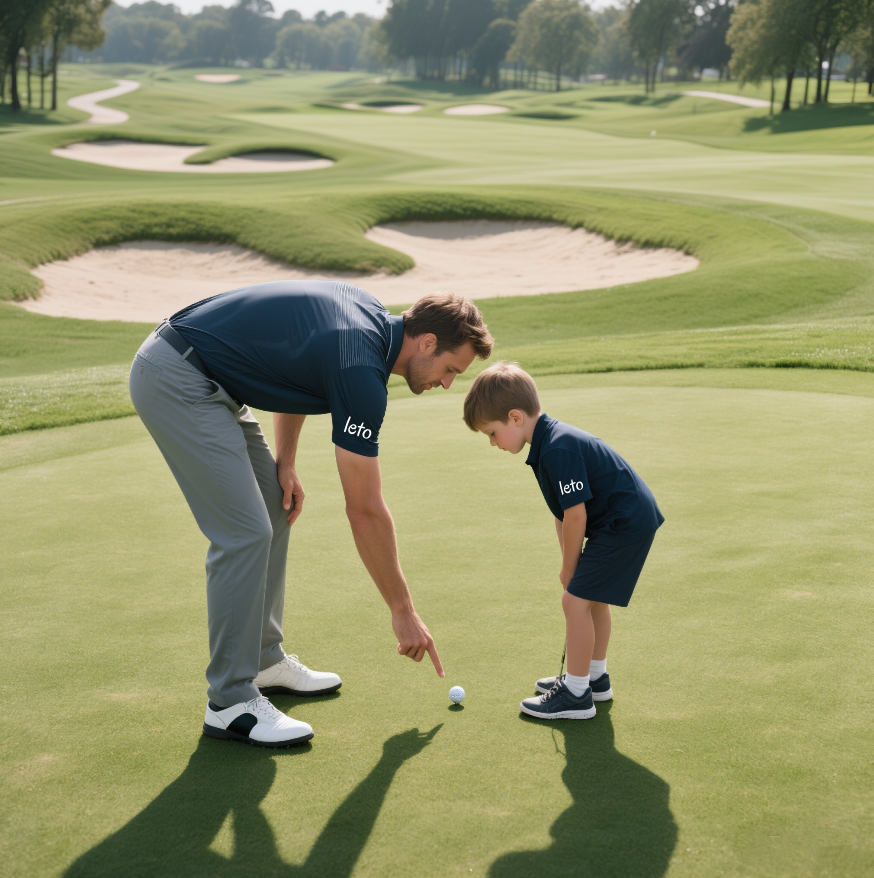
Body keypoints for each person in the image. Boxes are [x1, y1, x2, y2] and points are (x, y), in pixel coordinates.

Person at [129, 281, 493, 747]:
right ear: (426, 343)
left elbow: (296, 376)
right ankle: (229, 702)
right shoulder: (363, 370)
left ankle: (263, 659)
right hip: (178, 376)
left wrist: (286, 461)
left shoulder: (370, 321)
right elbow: (364, 509)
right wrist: (402, 611)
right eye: (450, 369)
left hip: (208, 377)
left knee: (274, 506)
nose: (446, 383)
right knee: (244, 533)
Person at [462, 362, 663, 720]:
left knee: (574, 601)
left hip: (624, 522)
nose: (492, 443)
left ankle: (576, 693)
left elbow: (576, 516)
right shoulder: (544, 446)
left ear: (515, 417)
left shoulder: (557, 448)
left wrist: (570, 570)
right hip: (620, 520)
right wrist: (568, 564)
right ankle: (594, 679)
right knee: (590, 599)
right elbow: (562, 512)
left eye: (492, 433)